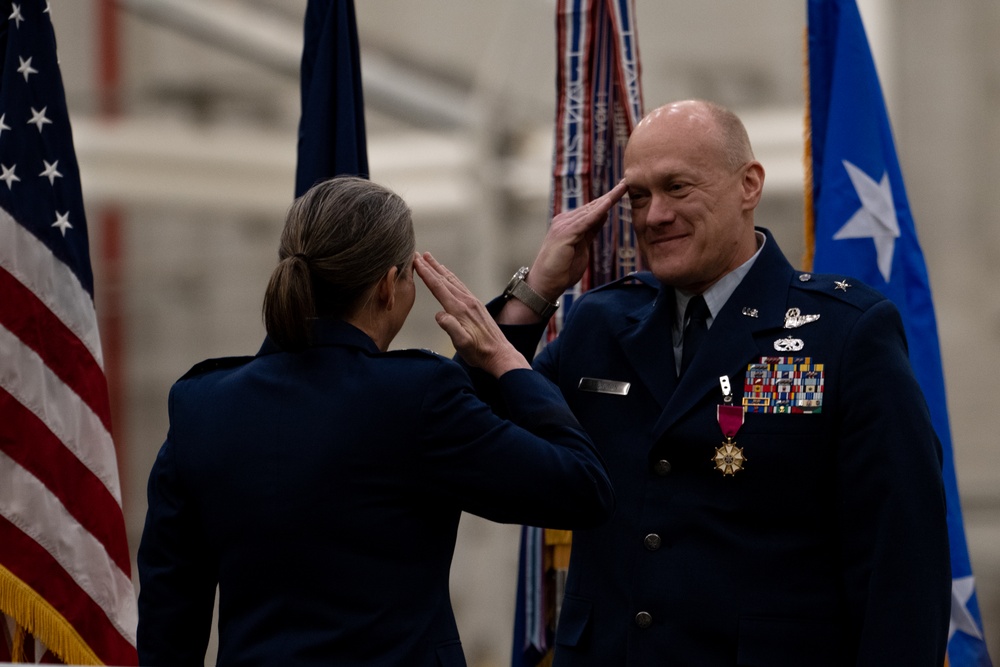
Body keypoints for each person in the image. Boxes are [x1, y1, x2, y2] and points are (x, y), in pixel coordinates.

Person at [486, 100, 950, 665]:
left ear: (748, 184)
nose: (654, 215)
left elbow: (902, 561)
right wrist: (534, 295)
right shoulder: (600, 326)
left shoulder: (845, 333)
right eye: (638, 196)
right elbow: (479, 450)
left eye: (677, 187)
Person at [135, 176, 615, 667]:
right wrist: (505, 358)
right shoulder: (417, 398)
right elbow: (581, 486)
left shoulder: (200, 403)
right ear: (390, 286)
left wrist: (531, 296)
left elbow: (169, 618)